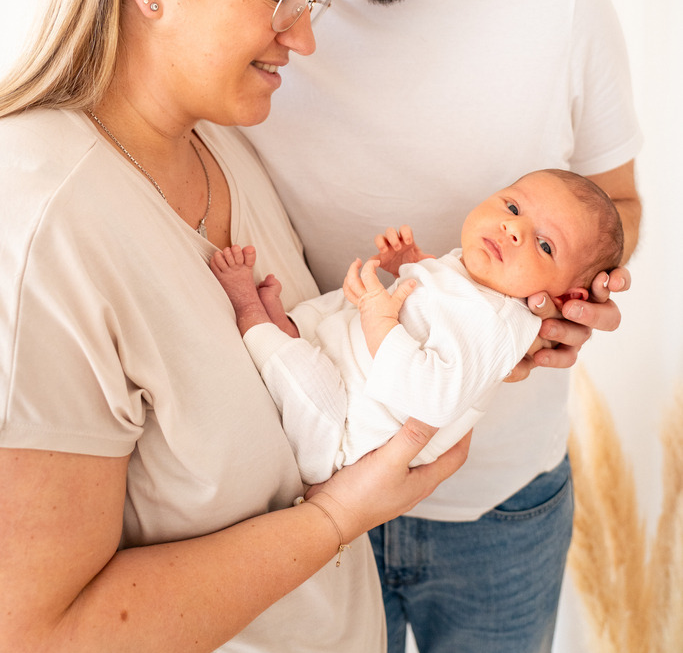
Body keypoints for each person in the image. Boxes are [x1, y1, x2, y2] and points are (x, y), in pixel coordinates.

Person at [0, 0, 472, 653]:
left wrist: (457, 332)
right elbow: (36, 633)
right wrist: (337, 518)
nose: (304, 39)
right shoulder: (36, 229)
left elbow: (307, 368)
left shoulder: (226, 148)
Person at [238, 0, 643, 653]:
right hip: (307, 493)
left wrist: (585, 297)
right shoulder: (256, 31)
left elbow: (616, 201)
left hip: (505, 498)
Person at [211, 169, 624, 484]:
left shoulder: (496, 325)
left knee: (319, 364)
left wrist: (379, 314)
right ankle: (289, 328)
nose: (513, 229)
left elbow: (431, 397)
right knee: (346, 301)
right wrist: (413, 262)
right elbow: (438, 303)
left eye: (545, 245)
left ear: (568, 299)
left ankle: (251, 313)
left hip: (340, 430)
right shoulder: (488, 280)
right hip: (351, 365)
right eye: (513, 208)